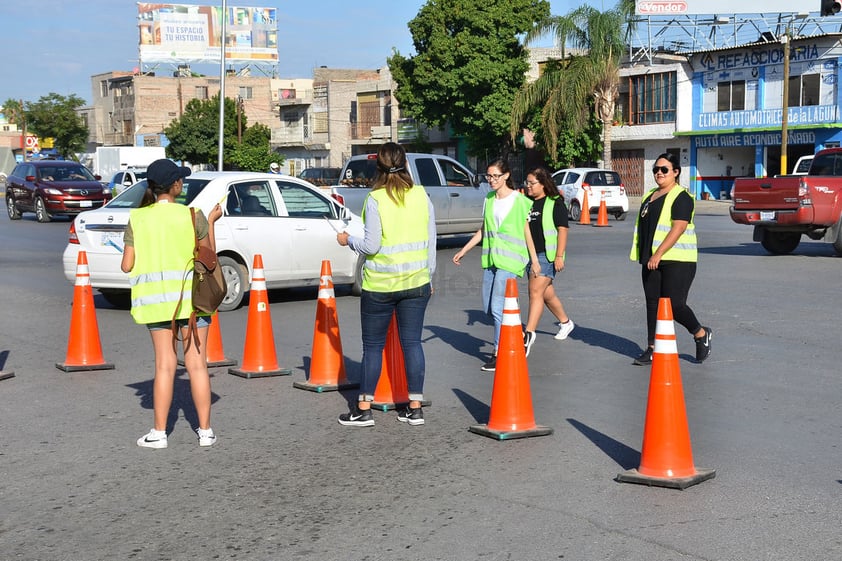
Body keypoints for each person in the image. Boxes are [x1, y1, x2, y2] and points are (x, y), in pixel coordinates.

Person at [121, 159, 223, 448]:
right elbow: (209, 256)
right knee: (197, 365)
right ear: (176, 185)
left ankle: (159, 433)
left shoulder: (137, 219)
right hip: (193, 304)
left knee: (165, 366)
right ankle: (205, 433)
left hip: (155, 306)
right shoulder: (193, 215)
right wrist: (212, 223)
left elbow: (127, 265)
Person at [335, 142, 436, 427]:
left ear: (377, 167)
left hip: (380, 286)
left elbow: (371, 244)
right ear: (405, 163)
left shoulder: (376, 198)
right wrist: (430, 275)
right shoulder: (420, 195)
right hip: (417, 283)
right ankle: (415, 408)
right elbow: (431, 239)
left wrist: (347, 240)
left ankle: (363, 408)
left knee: (373, 347)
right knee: (413, 344)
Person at [453, 159, 539, 372]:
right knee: (488, 307)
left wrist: (535, 261)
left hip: (511, 261)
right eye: (488, 176)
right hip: (492, 259)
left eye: (495, 176)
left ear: (506, 176)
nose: (491, 180)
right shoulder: (489, 199)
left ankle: (497, 352)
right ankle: (518, 331)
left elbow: (527, 232)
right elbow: (483, 230)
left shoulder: (519, 200)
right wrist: (464, 250)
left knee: (498, 307)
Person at [630, 152, 712, 365]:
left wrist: (659, 253)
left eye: (664, 169)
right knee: (652, 305)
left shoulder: (681, 196)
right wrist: (647, 255)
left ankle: (700, 333)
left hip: (678, 260)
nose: (659, 173)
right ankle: (652, 347)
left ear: (676, 172)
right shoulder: (649, 196)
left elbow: (679, 227)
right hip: (650, 260)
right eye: (656, 169)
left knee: (675, 304)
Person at [522, 167, 574, 357]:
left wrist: (559, 256)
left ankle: (529, 334)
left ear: (543, 184)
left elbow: (563, 230)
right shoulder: (527, 203)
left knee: (534, 291)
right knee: (546, 294)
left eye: (532, 183)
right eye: (527, 183)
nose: (528, 186)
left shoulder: (555, 202)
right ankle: (566, 323)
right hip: (531, 255)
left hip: (548, 255)